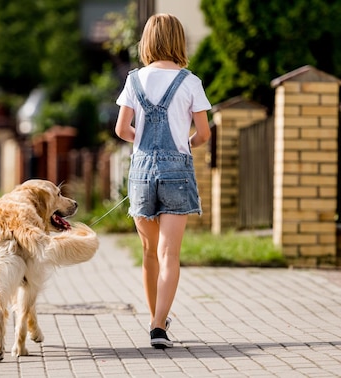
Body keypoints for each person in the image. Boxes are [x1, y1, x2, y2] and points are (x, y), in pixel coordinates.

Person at [114, 13, 211, 349]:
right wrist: (188, 145)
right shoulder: (190, 81)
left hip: (141, 170)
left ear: (147, 42)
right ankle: (158, 326)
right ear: (178, 41)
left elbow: (121, 129)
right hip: (176, 172)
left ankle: (155, 315)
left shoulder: (134, 79)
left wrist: (141, 140)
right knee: (170, 254)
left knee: (148, 253)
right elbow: (204, 133)